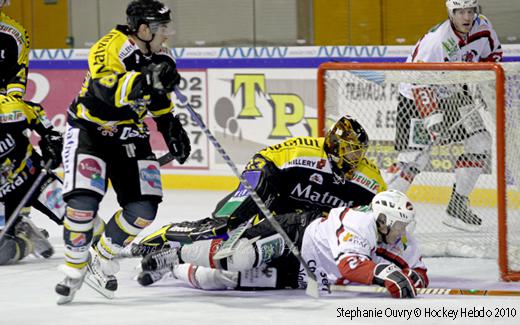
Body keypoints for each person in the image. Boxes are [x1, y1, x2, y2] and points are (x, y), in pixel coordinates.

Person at [132, 114, 387, 286]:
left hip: (301, 229)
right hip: (272, 195)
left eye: (358, 152)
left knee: (241, 273)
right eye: (350, 149)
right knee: (224, 228)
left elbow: (381, 210)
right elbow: (262, 161)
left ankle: (177, 263)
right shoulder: (305, 151)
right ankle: (166, 237)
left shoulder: (367, 179)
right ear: (335, 144)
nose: (355, 157)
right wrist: (257, 196)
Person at [54, 0, 191, 304]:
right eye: (161, 28)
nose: (166, 34)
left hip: (130, 132)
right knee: (82, 203)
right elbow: (106, 89)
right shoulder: (108, 47)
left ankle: (103, 254)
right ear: (143, 29)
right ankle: (75, 267)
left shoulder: (161, 54)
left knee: (144, 208)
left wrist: (170, 126)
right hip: (90, 130)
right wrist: (146, 79)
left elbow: (158, 99)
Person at [137, 190, 428, 299]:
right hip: (294, 235)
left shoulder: (398, 236)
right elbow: (349, 266)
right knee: (237, 258)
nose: (403, 233)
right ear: (382, 220)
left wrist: (414, 276)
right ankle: (175, 252)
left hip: (299, 276)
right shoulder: (359, 222)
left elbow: (419, 269)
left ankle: (172, 267)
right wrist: (386, 274)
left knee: (218, 279)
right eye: (399, 225)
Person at [386, 0, 502, 232]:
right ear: (452, 12)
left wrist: (487, 88)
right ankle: (383, 209)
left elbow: (494, 56)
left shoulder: (485, 28)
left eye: (471, 11)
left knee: (481, 140)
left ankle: (457, 206)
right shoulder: (436, 41)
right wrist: (432, 119)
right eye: (461, 12)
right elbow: (418, 80)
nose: (467, 17)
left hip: (455, 92)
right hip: (417, 96)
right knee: (414, 158)